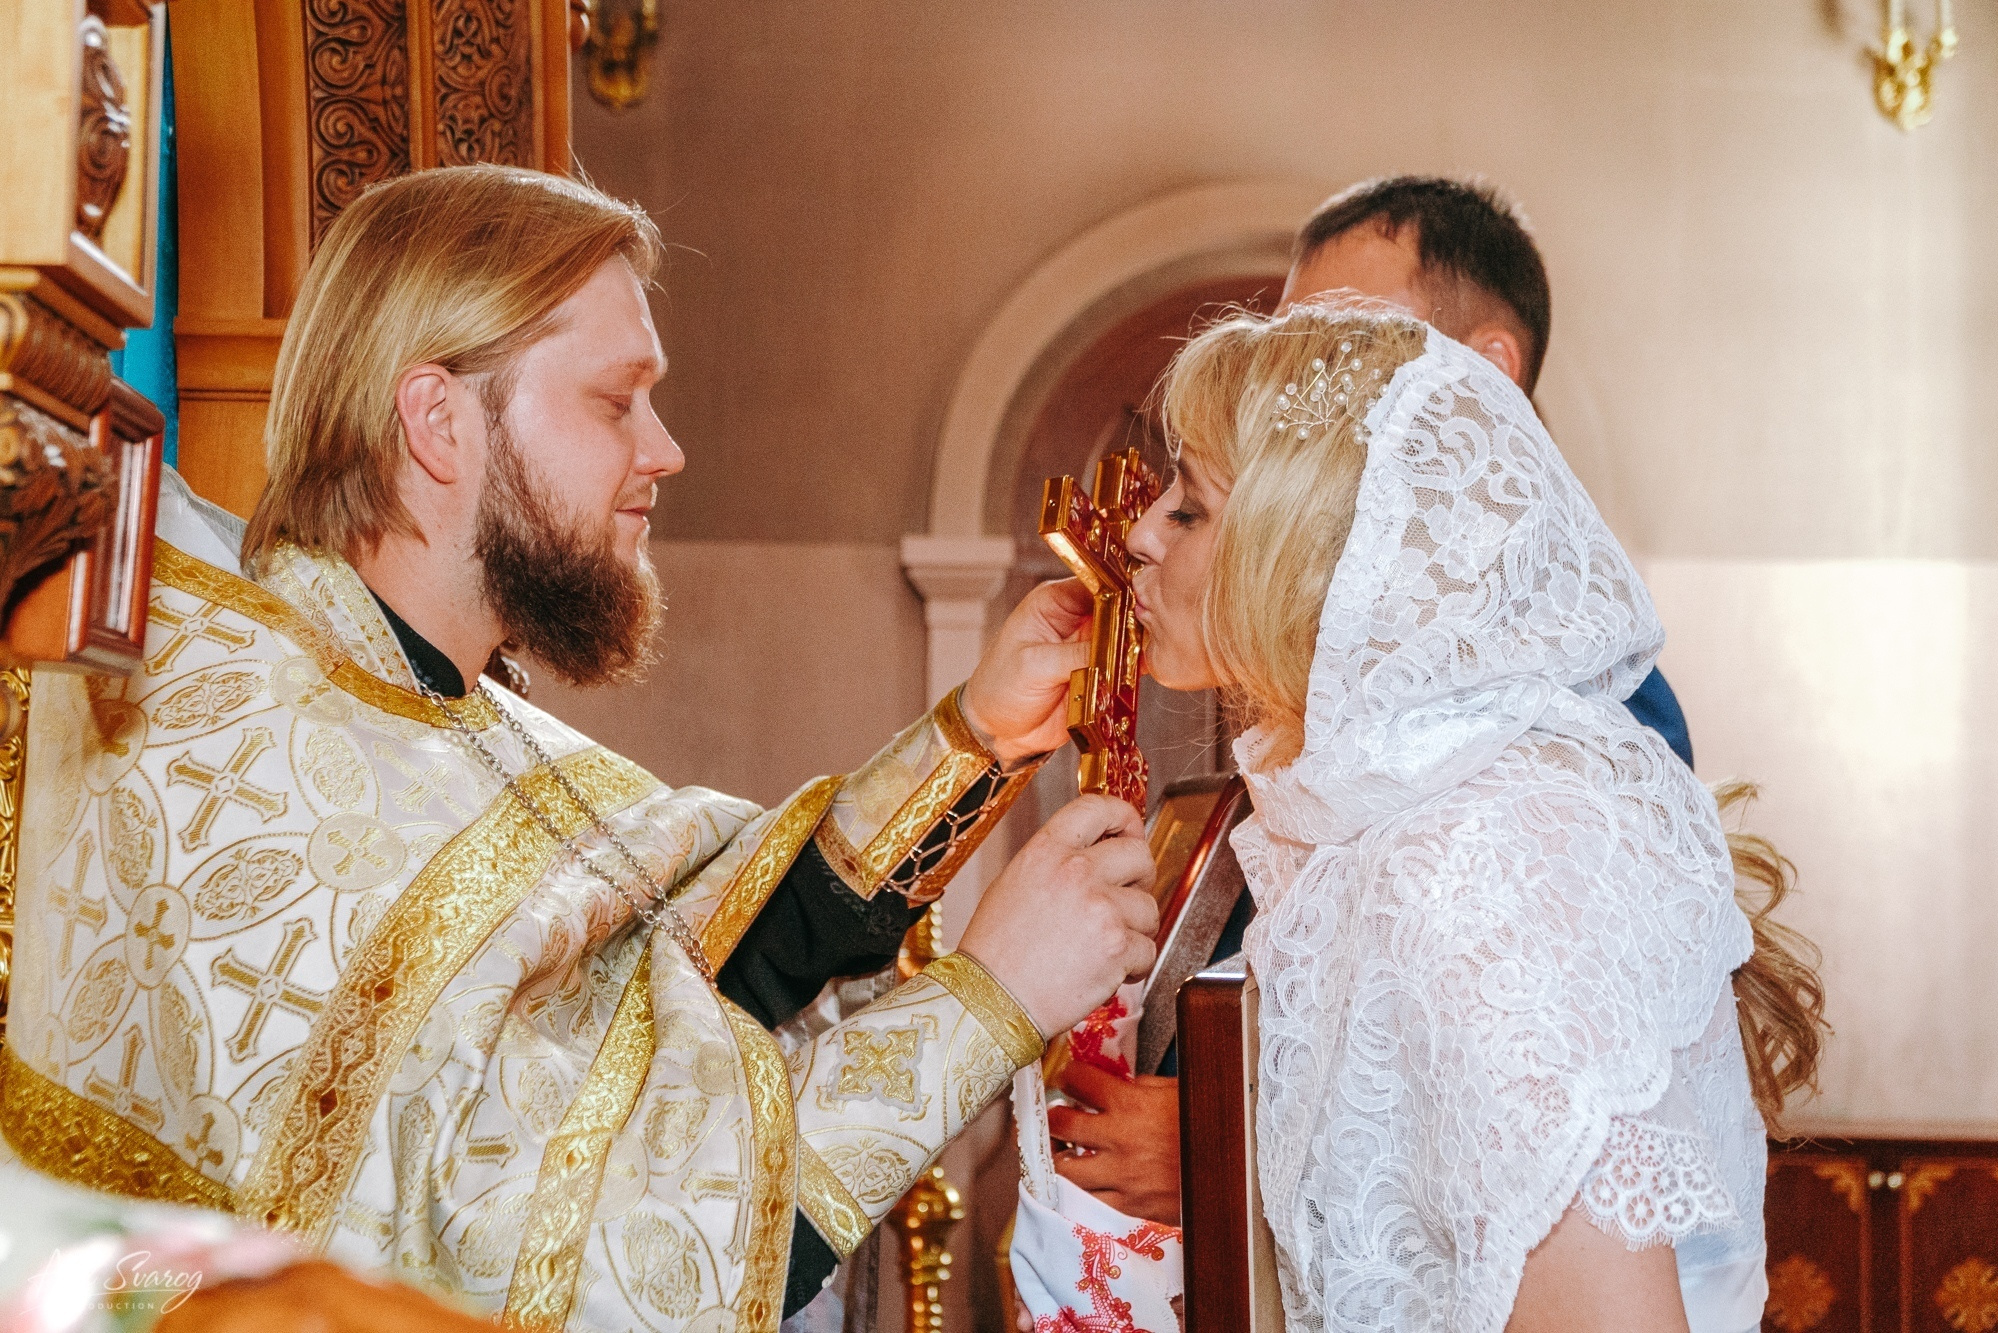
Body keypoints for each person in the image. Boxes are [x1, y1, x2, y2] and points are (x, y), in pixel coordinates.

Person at [0, 164, 1161, 1330]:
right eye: (616, 402)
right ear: (438, 419)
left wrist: (976, 737)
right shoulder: (255, 749)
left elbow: (706, 967)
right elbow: (594, 1266)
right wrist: (986, 1000)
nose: (663, 451)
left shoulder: (456, 716)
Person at [1113, 298, 1826, 1330]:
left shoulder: (1478, 855)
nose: (1140, 534)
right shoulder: (1375, 821)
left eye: (1187, 509)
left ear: (1310, 556)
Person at [1047, 175, 1697, 1229]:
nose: (1298, 387)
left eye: (1342, 337)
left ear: (1470, 378)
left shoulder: (1545, 756)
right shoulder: (1330, 724)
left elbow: (1547, 1168)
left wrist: (1232, 1147)